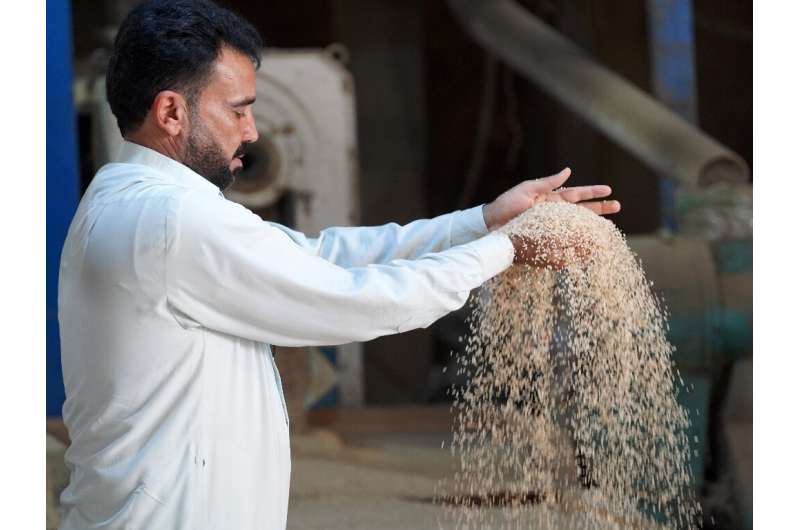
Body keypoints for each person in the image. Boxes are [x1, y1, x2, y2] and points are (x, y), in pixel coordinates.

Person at [57, 1, 620, 528]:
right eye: (238, 110)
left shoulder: (138, 202)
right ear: (172, 112)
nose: (252, 131)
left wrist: (482, 222)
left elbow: (317, 254)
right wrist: (509, 249)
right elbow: (356, 298)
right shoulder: (169, 220)